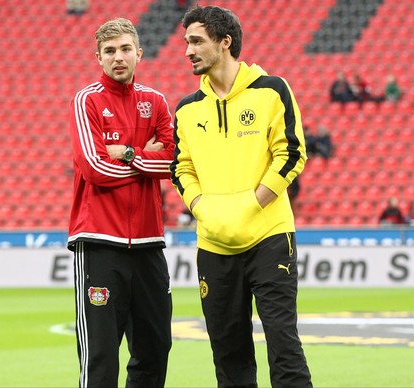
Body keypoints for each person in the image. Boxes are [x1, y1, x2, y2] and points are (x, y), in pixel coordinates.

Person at [171, 5, 312, 387]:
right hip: (214, 245)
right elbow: (181, 169)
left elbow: (292, 154)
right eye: (186, 42)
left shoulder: (271, 90)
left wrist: (252, 204)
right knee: (228, 355)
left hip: (269, 238)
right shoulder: (186, 110)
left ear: (225, 42)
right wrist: (203, 209)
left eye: (196, 41)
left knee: (283, 345)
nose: (188, 50)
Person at [67, 18, 174, 388]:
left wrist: (128, 154)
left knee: (156, 348)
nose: (118, 57)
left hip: (148, 243)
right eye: (110, 51)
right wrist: (147, 159)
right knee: (100, 356)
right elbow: (95, 168)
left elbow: (175, 162)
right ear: (98, 57)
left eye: (126, 49)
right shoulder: (87, 100)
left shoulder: (156, 102)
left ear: (139, 54)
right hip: (99, 243)